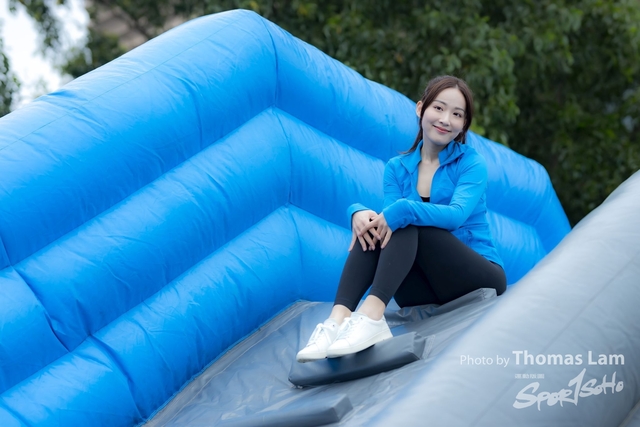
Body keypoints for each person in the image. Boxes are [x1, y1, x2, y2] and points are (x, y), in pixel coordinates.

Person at [296, 75, 507, 363]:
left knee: (405, 218)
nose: (446, 120)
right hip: (423, 289)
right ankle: (337, 320)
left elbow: (456, 215)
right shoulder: (396, 168)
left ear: (464, 124)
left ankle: (371, 316)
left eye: (457, 115)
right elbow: (387, 227)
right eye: (439, 108)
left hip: (476, 277)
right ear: (421, 109)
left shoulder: (471, 163)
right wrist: (357, 212)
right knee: (378, 229)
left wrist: (403, 210)